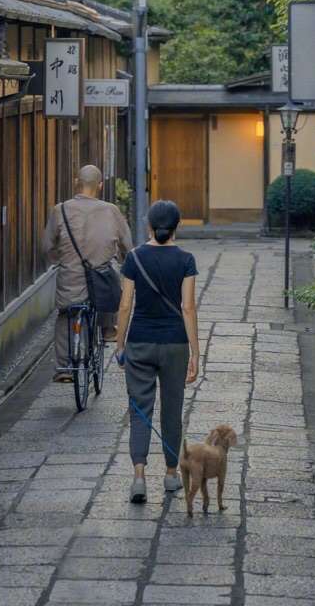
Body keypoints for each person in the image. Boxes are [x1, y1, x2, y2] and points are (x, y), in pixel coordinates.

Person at [115, 199, 200, 504]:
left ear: (149, 226)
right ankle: (170, 473)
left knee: (140, 409)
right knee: (172, 409)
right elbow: (188, 308)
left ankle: (138, 478)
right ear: (177, 227)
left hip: (139, 340)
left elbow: (125, 305)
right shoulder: (186, 260)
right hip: (175, 343)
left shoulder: (134, 258)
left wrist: (120, 343)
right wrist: (196, 352)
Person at [41, 163, 132, 381]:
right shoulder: (111, 210)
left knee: (66, 316)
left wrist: (60, 260)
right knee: (111, 280)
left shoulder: (60, 210)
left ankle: (63, 369)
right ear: (100, 185)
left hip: (70, 278)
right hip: (101, 278)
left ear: (76, 182)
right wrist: (120, 259)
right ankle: (109, 329)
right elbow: (127, 246)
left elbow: (47, 246)